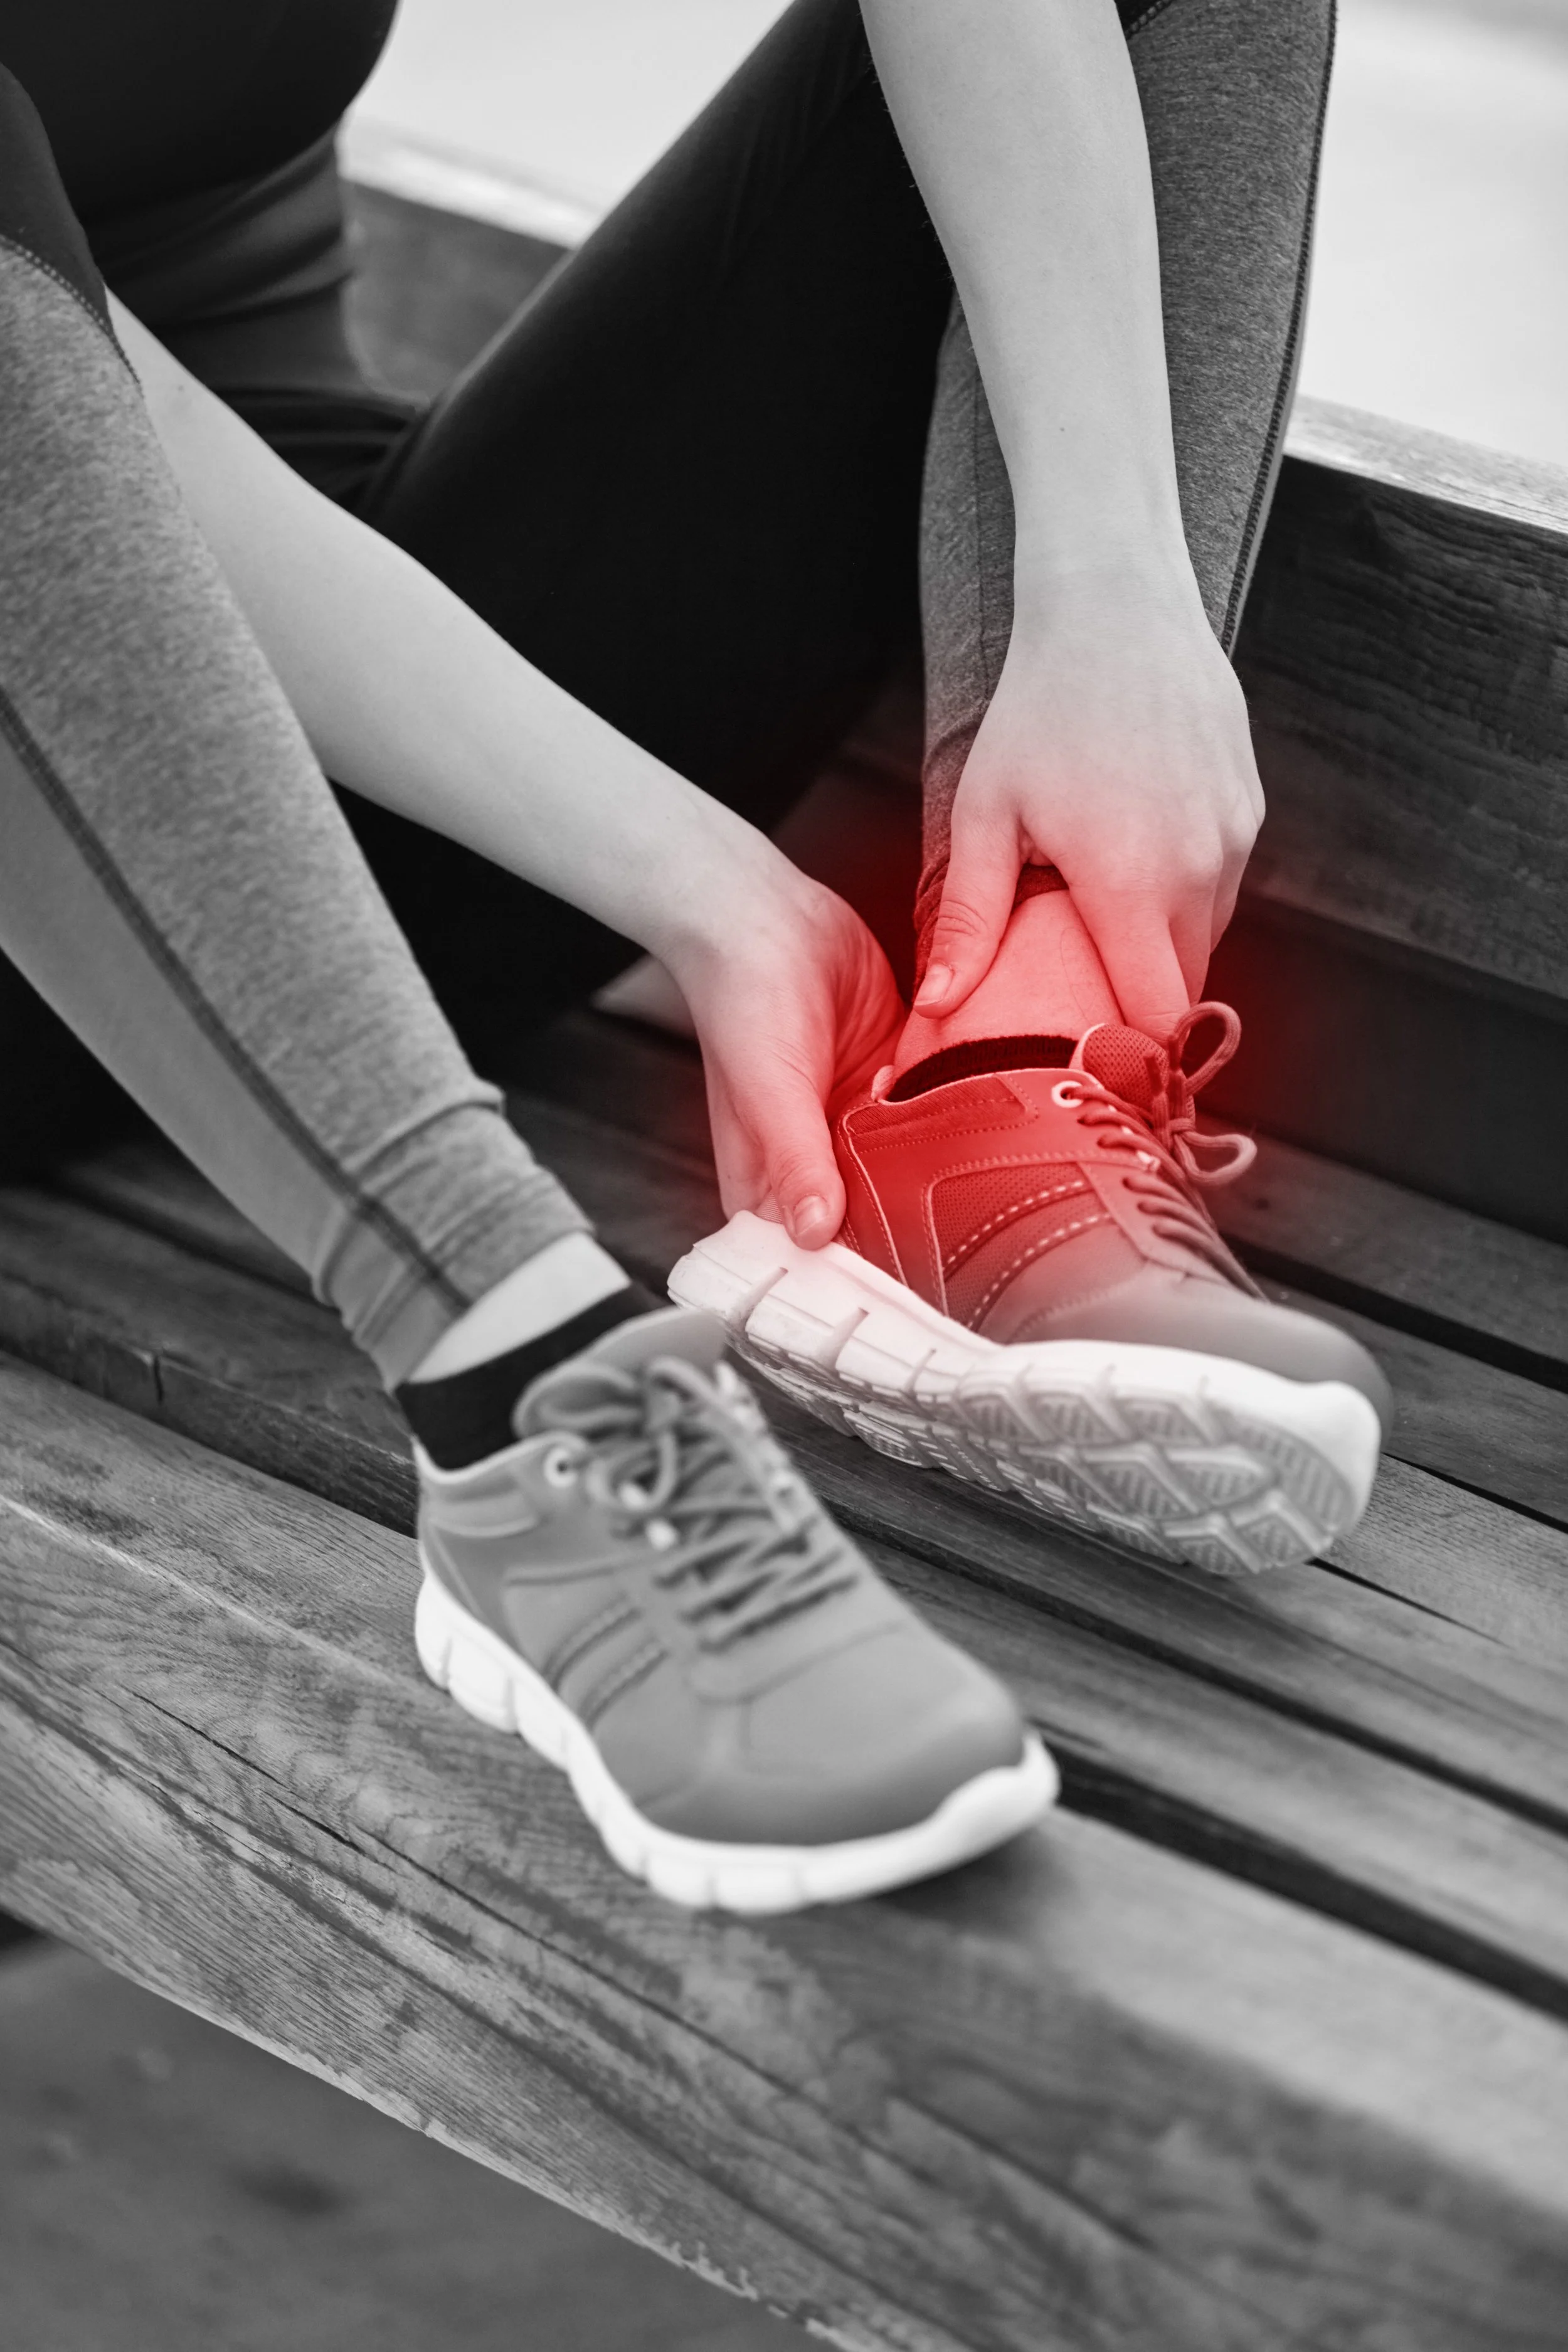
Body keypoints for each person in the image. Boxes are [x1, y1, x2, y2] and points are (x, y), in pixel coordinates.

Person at [0, 0, 1385, 1907]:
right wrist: (697, 875)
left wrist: (1105, 583)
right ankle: (524, 1415)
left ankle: (1004, 1077)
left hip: (382, 817)